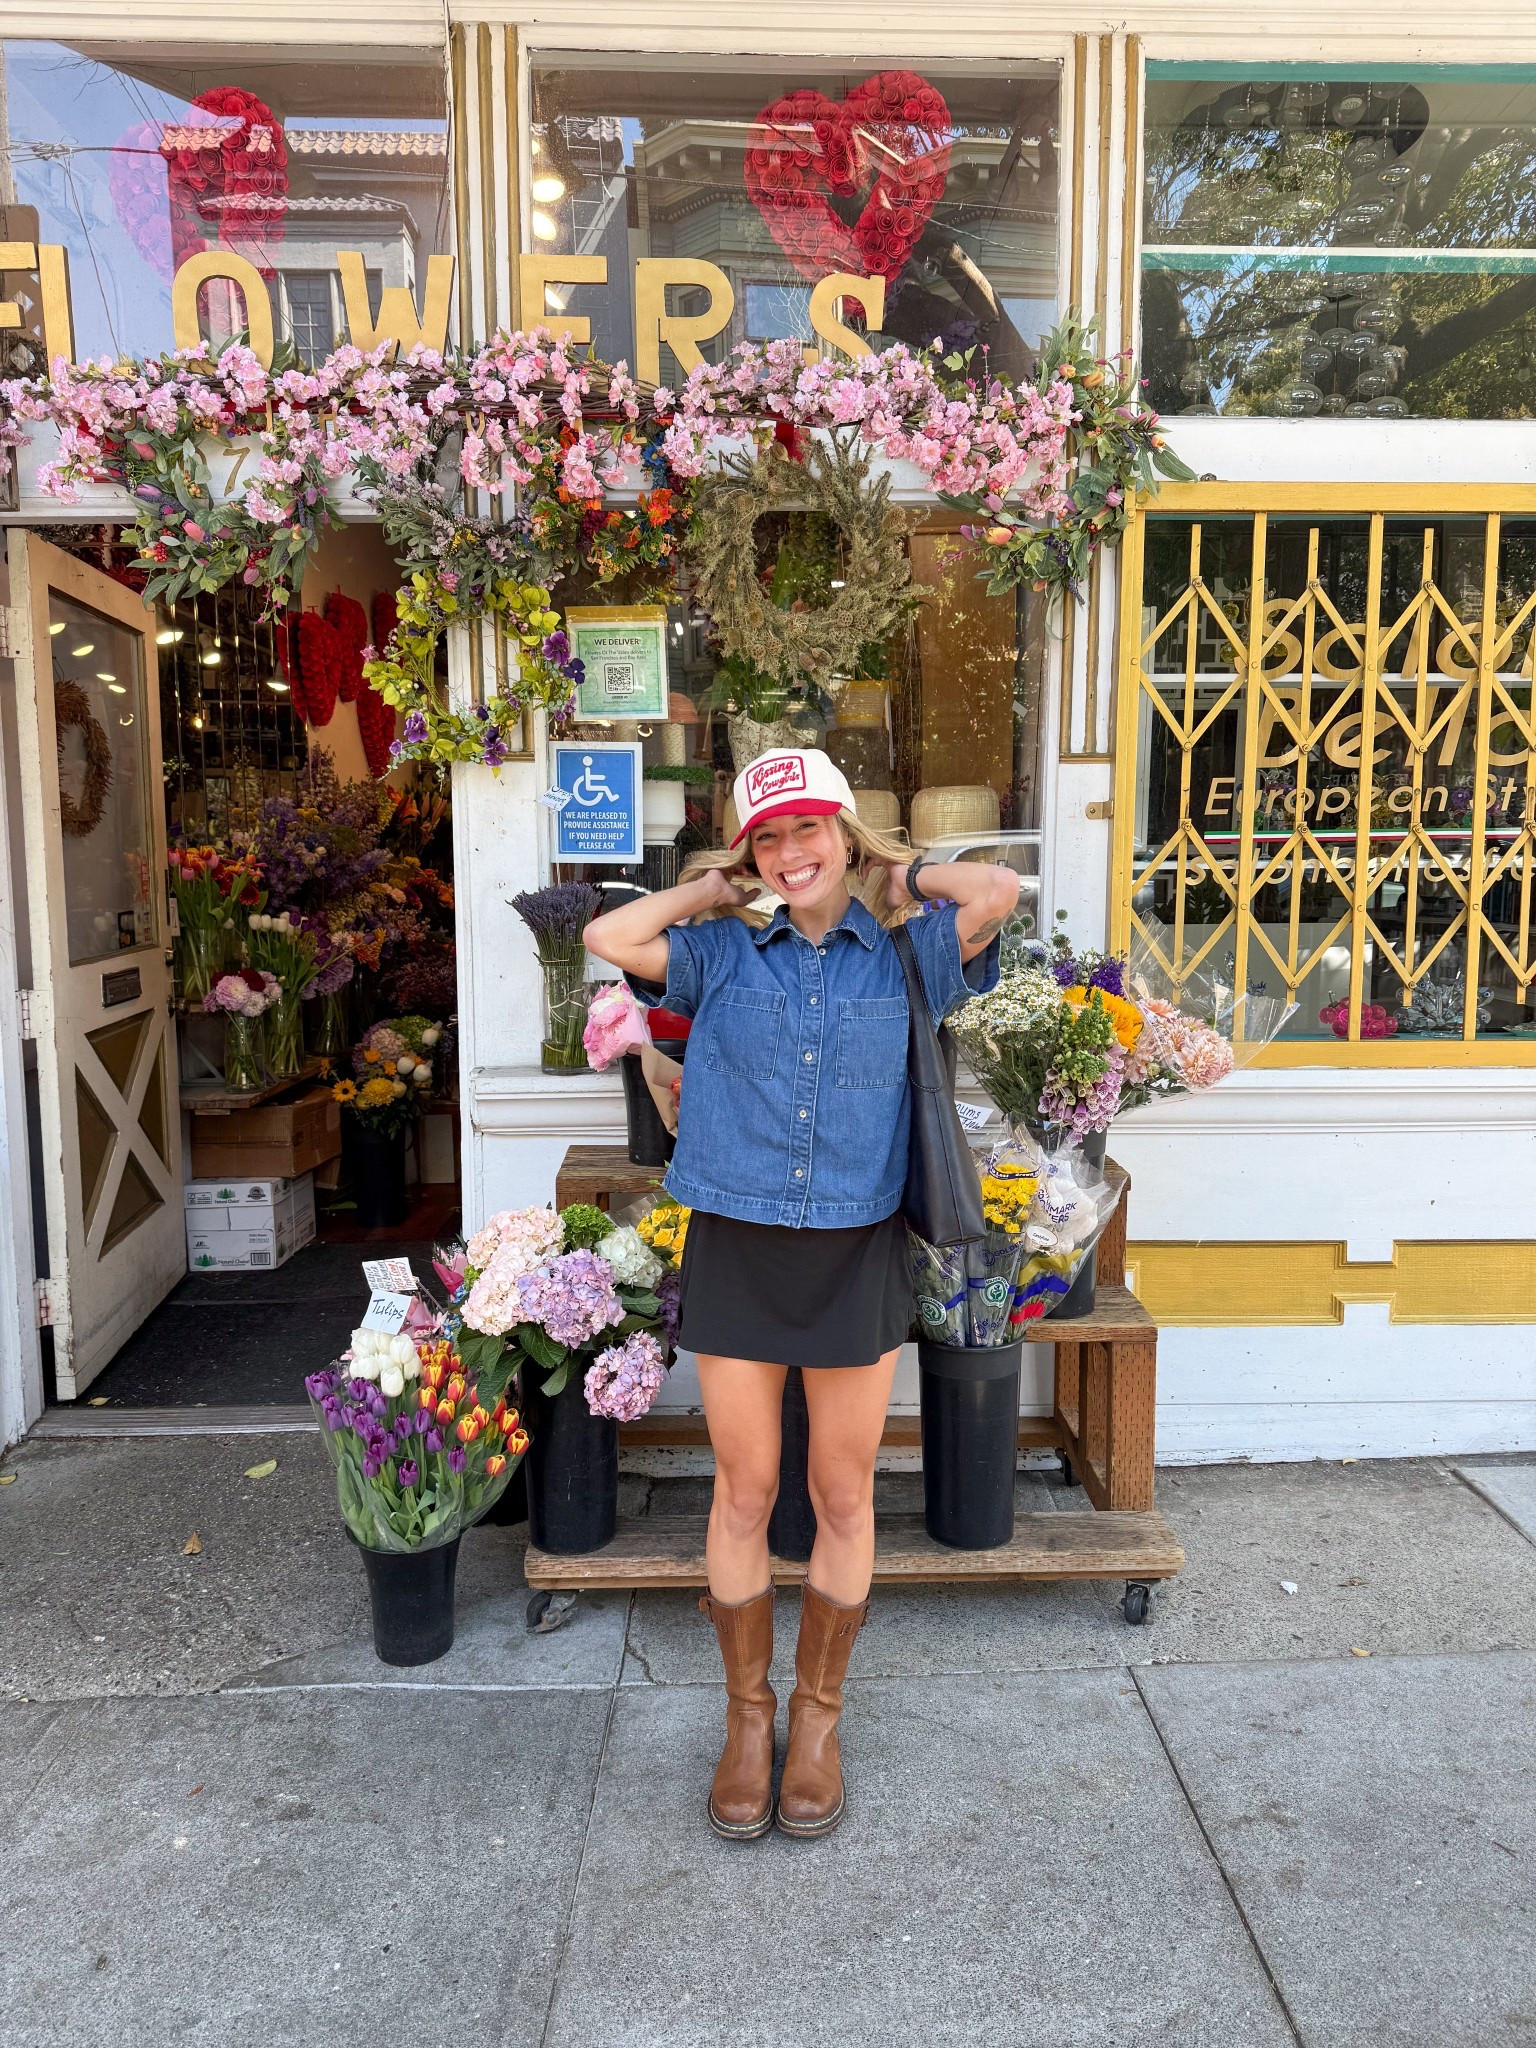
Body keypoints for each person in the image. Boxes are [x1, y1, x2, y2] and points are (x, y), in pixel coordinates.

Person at [583, 749, 1019, 1841]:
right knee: (743, 1488)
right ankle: (749, 1716)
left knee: (841, 1492)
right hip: (738, 1239)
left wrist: (901, 874)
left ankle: (818, 1719)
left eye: (809, 828)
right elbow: (612, 938)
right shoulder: (720, 952)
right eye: (768, 837)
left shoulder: (909, 953)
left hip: (857, 1248)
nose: (791, 852)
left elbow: (995, 890)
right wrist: (710, 887)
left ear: (845, 833)